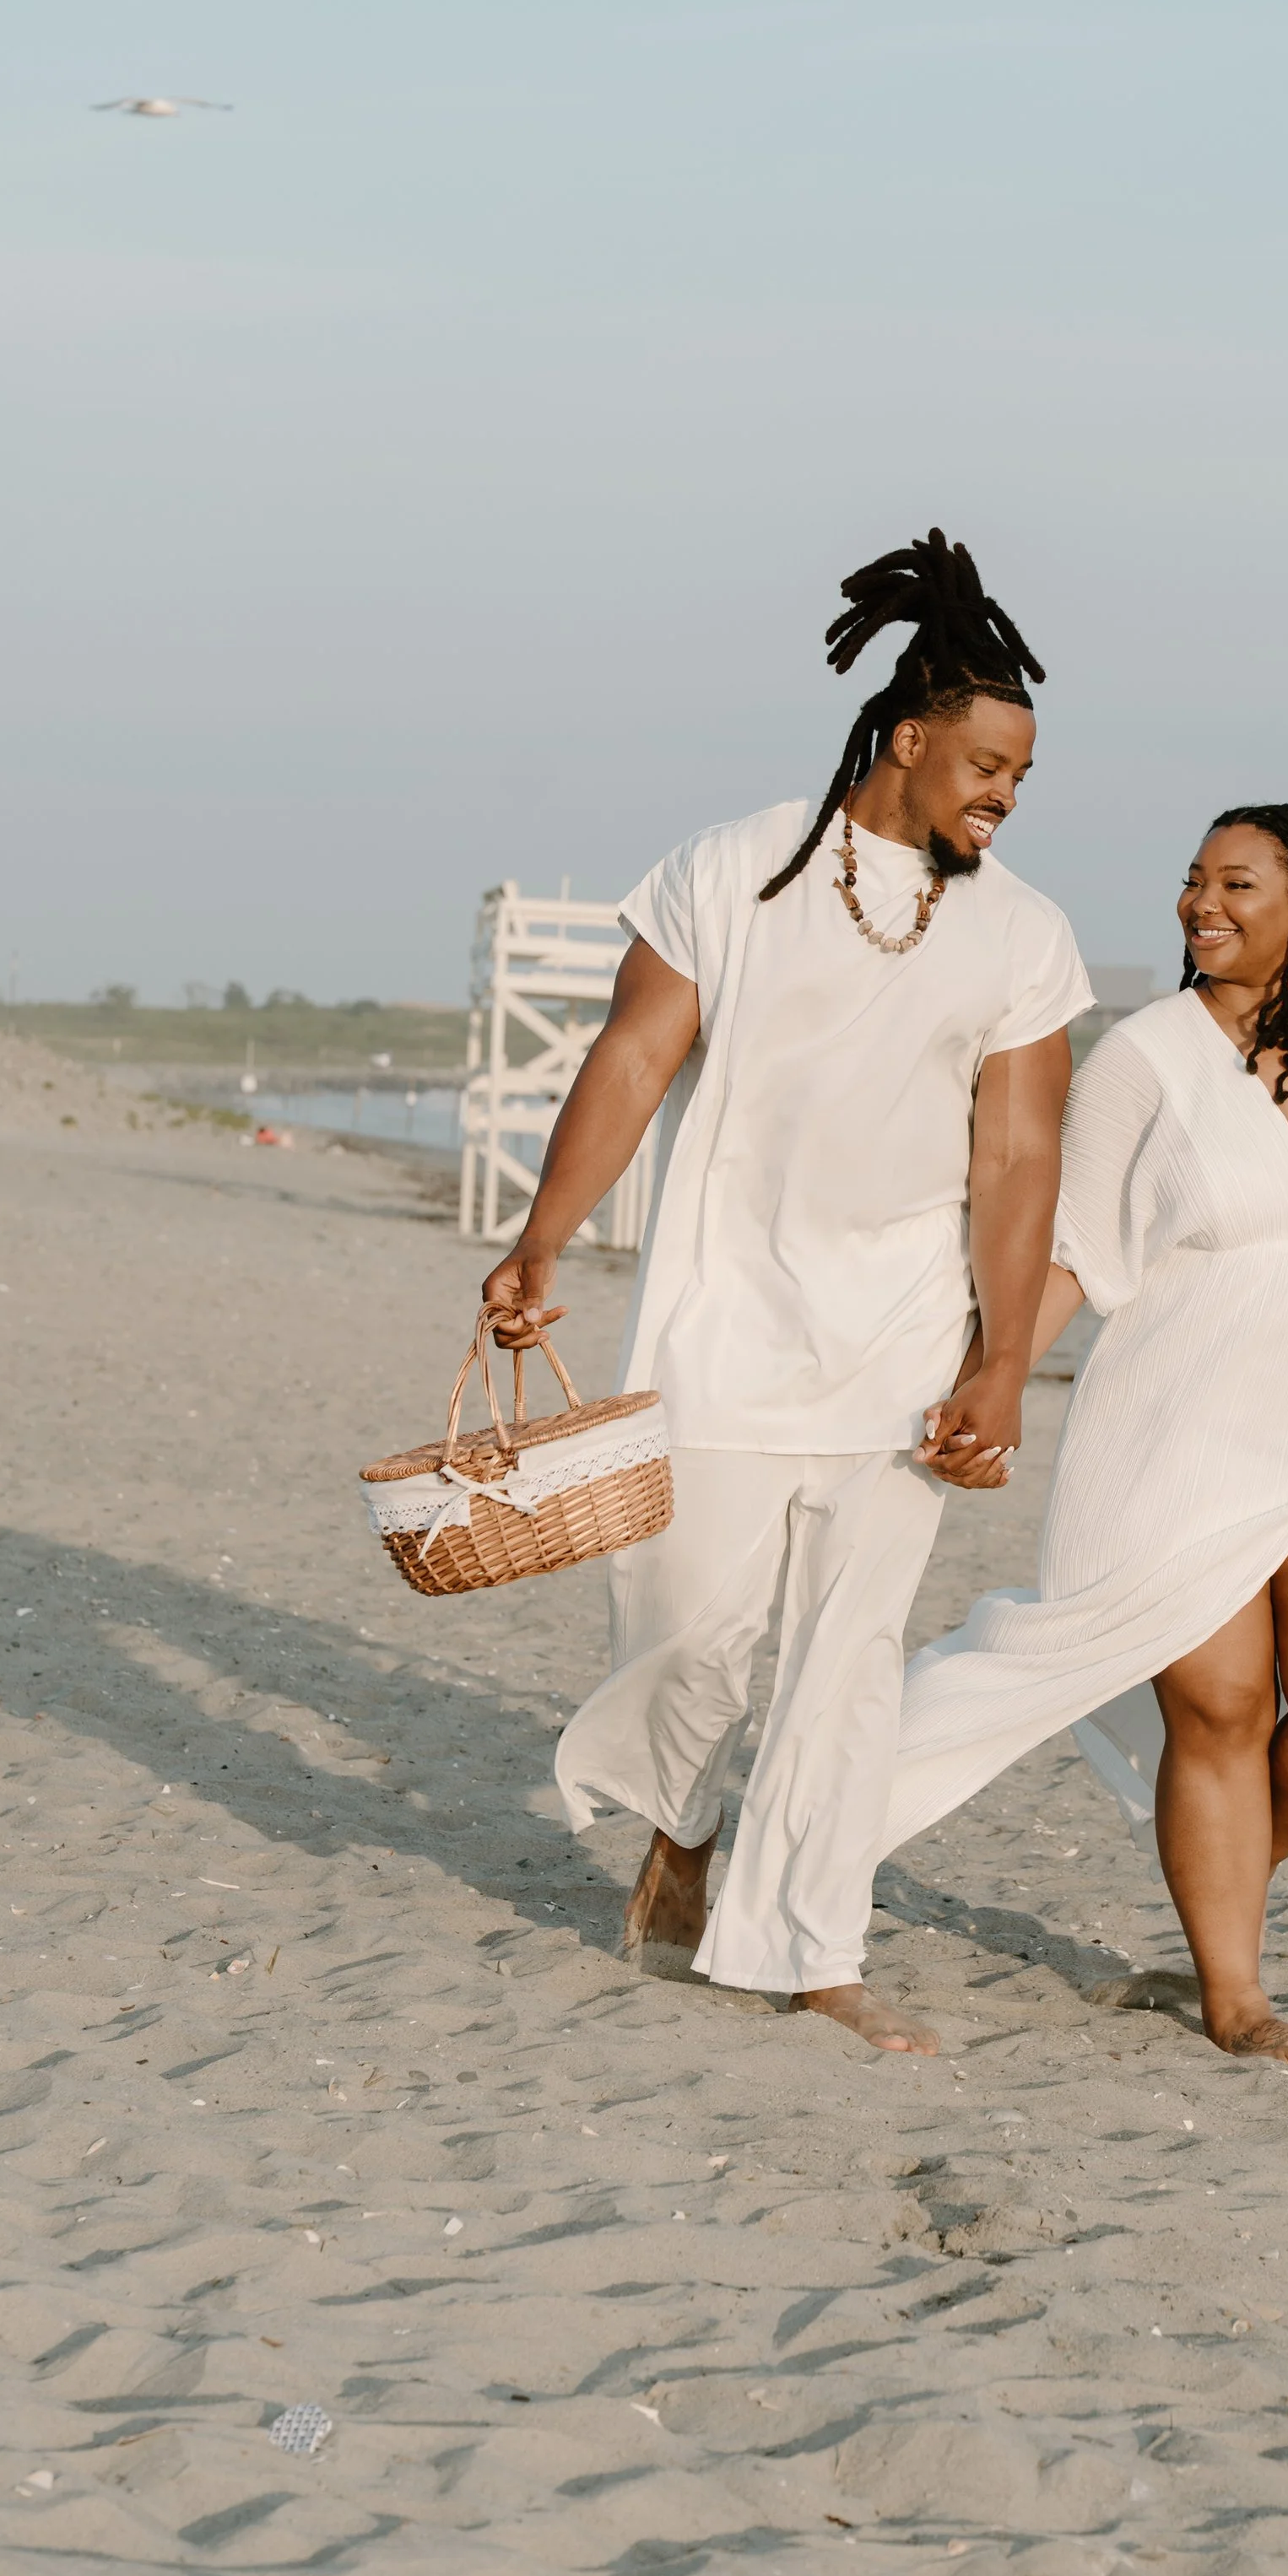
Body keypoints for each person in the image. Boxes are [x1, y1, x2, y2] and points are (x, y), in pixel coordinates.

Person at [481, 532, 1091, 2053]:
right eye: (988, 763)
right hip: (722, 1320)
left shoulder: (1024, 934)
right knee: (684, 1623)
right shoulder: (731, 868)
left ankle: (811, 1946)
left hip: (902, 1343)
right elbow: (633, 1060)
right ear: (907, 739)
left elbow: (1020, 1161)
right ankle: (682, 1819)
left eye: (1022, 774)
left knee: (848, 1654)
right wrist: (541, 1237)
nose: (1006, 794)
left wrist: (1003, 1360)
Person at [885, 803, 1288, 2066]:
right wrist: (996, 1377)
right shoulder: (1148, 1054)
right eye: (1191, 883)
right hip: (1173, 1424)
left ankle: (1214, 1866)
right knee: (1221, 1711)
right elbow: (1072, 1247)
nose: (1201, 904)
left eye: (1237, 882)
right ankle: (1234, 1989)